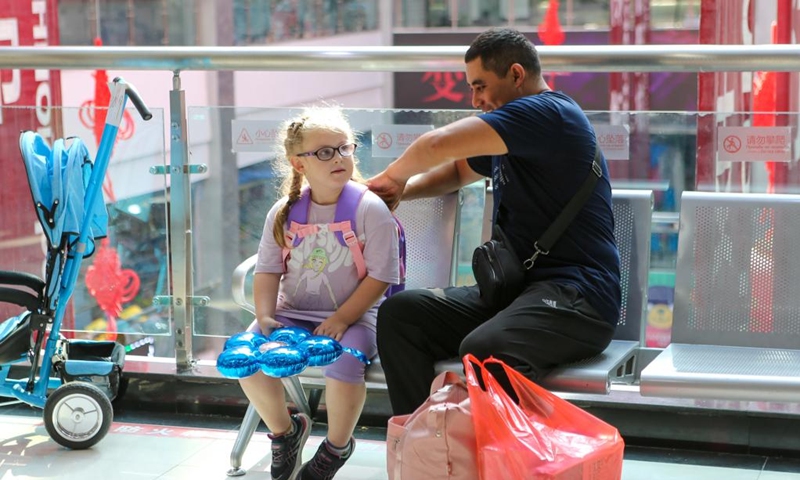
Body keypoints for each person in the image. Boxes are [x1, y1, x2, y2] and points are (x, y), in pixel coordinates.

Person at [368, 27, 621, 415]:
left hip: (578, 299)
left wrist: (391, 177)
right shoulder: (515, 133)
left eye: (481, 86)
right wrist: (402, 193)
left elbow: (435, 146)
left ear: (516, 75)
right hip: (517, 293)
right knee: (402, 315)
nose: (475, 99)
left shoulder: (550, 114)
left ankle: (502, 458)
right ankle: (424, 443)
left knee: (487, 348)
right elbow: (457, 171)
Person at [240, 106, 400, 480]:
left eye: (345, 148)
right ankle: (285, 431)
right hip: (293, 311)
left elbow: (381, 277)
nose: (339, 158)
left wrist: (343, 318)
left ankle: (336, 446)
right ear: (299, 164)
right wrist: (265, 316)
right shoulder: (285, 212)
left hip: (358, 315)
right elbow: (268, 269)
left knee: (345, 364)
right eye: (325, 152)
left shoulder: (369, 209)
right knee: (248, 357)